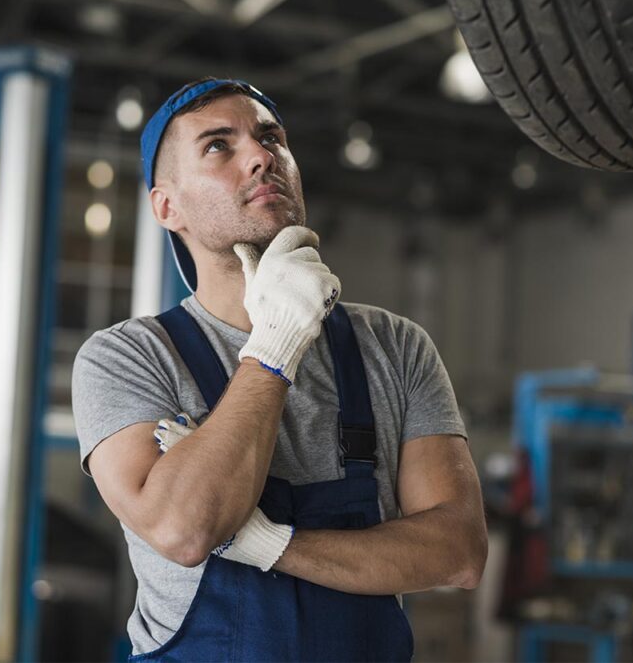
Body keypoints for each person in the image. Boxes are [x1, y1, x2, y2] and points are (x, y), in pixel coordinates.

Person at [71, 77, 488, 661]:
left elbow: (459, 553)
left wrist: (270, 544)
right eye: (219, 145)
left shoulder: (394, 346)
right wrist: (277, 343)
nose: (262, 156)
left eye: (271, 138)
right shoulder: (126, 357)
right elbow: (184, 530)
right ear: (167, 206)